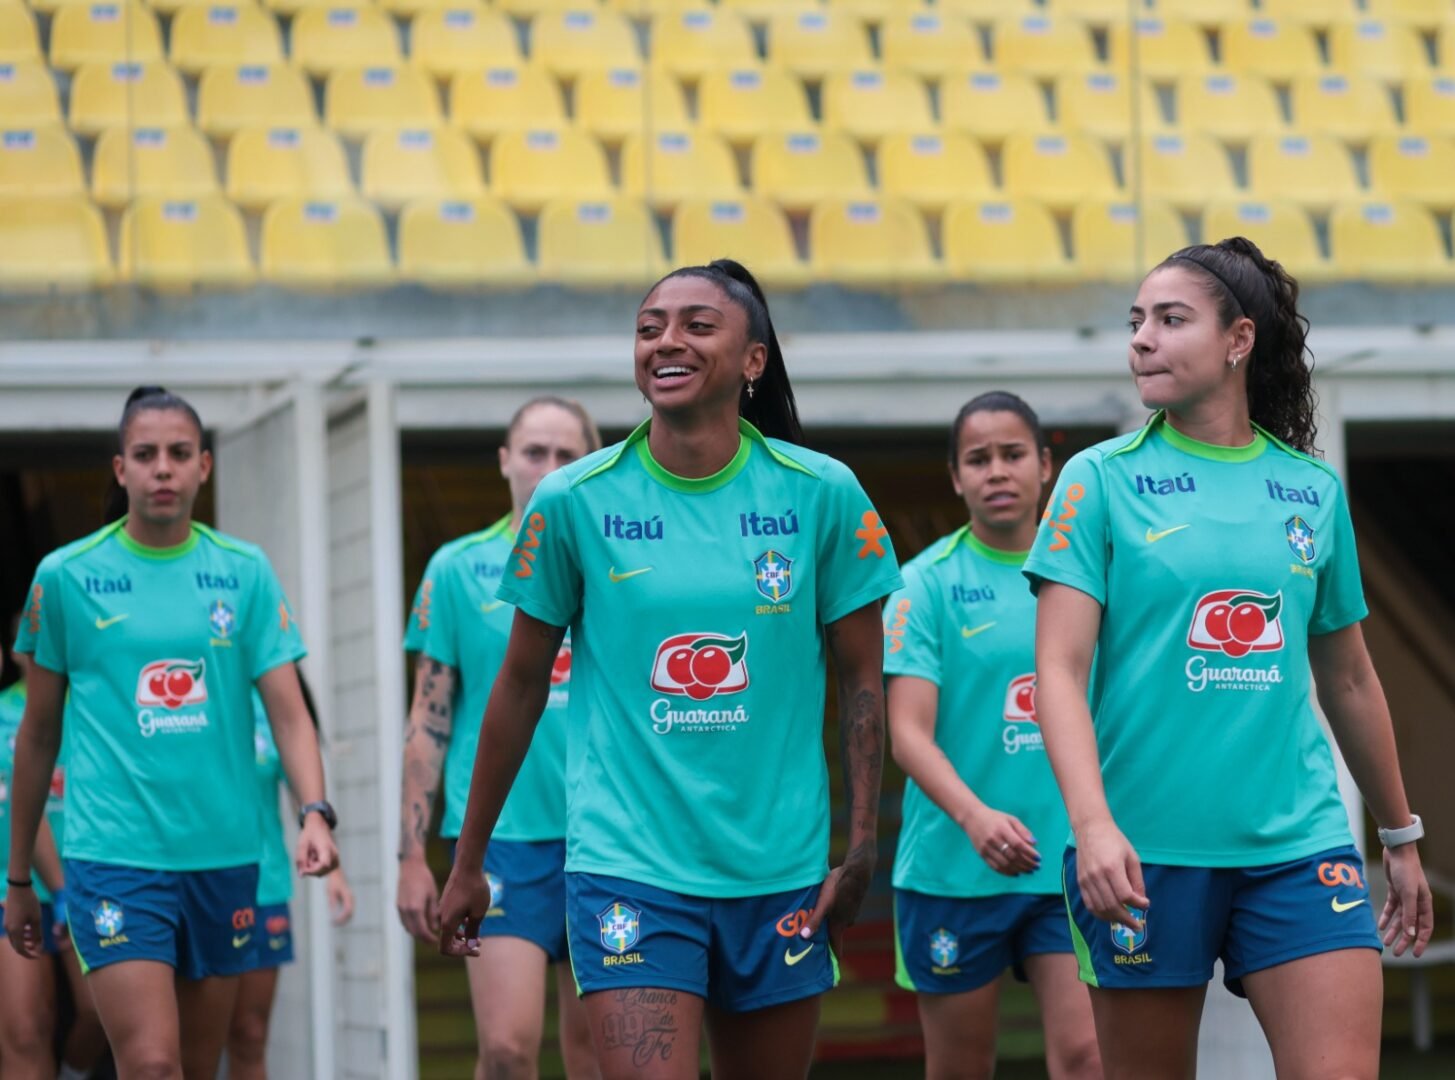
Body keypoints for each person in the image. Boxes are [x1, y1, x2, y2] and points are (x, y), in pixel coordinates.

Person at [435, 259, 903, 1080]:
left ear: (753, 360)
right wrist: (468, 862)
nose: (665, 342)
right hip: (629, 868)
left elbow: (862, 680)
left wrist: (860, 848)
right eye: (649, 328)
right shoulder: (572, 501)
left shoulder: (823, 494)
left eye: (696, 325)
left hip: (779, 871)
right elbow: (517, 686)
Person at [1024, 238, 1433, 1080]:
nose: (1142, 339)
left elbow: (1348, 677)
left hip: (1298, 845)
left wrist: (1398, 836)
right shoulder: (1096, 480)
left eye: (1170, 320)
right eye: (1135, 322)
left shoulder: (1310, 490)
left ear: (1238, 339)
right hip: (1141, 854)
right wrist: (1092, 826)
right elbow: (1056, 672)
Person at [5, 386, 340, 1080]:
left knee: (195, 1064)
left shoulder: (244, 572)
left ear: (204, 467)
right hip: (114, 857)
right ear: (120, 468)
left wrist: (314, 812)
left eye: (180, 453)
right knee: (153, 1064)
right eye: (146, 454)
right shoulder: (65, 577)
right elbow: (36, 738)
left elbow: (289, 714)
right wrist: (18, 878)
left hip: (224, 857)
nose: (163, 467)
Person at [886, 393, 1101, 1080]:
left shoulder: (1092, 575)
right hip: (953, 868)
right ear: (956, 477)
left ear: (1046, 466)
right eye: (978, 460)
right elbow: (906, 733)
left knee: (1087, 1055)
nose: (997, 471)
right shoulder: (923, 585)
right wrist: (975, 817)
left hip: (1070, 863)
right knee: (961, 1066)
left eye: (1013, 454)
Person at [396, 396, 602, 1080]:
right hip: (499, 842)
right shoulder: (457, 568)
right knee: (508, 1053)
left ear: (591, 465)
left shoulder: (619, 566)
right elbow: (428, 722)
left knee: (597, 1061)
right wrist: (410, 856)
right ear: (505, 461)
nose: (548, 468)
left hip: (606, 834)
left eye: (566, 455)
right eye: (534, 452)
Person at [226, 679, 355, 1080]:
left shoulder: (273, 699)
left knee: (250, 1033)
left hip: (265, 889)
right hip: (201, 886)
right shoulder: (207, 686)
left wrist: (335, 873)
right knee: (191, 1044)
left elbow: (305, 794)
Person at [1, 611, 108, 1080]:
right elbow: (26, 808)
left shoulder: (91, 710)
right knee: (27, 1029)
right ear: (15, 651)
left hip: (89, 881)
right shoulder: (3, 712)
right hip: (13, 886)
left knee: (99, 1014)